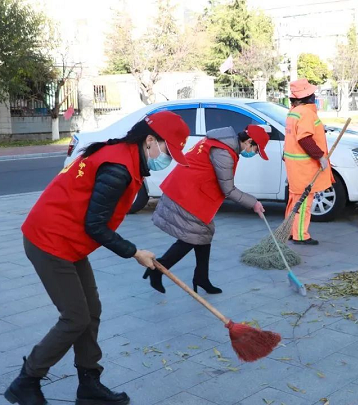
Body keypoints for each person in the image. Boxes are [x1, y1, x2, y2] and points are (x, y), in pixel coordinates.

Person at [3, 111, 190, 405]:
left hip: (69, 239)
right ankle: (26, 381)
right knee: (75, 317)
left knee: (91, 311)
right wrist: (135, 252)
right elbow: (95, 225)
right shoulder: (118, 167)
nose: (167, 159)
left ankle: (89, 382)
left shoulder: (125, 156)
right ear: (150, 140)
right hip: (49, 239)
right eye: (168, 150)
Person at [143, 125, 269, 294]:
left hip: (190, 192)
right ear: (248, 142)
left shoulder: (220, 143)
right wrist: (254, 203)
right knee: (190, 238)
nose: (253, 153)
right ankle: (157, 269)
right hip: (185, 195)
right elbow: (228, 189)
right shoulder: (224, 152)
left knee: (204, 234)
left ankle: (201, 278)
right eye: (255, 149)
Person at [284, 78, 333, 245]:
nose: (314, 96)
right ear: (307, 96)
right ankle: (300, 235)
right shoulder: (306, 112)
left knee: (294, 199)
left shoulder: (294, 111)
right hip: (304, 167)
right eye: (312, 93)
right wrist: (320, 156)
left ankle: (290, 231)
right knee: (303, 201)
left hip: (295, 165)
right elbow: (305, 139)